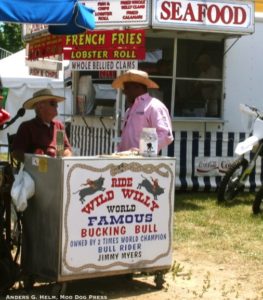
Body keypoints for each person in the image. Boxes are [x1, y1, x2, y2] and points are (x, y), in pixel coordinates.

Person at [112, 69, 174, 153]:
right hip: (125, 160)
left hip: (144, 162)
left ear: (138, 87)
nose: (124, 91)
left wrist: (144, 150)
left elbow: (166, 135)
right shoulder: (129, 110)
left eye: (126, 87)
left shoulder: (154, 106)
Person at [12, 88, 72, 162]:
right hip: (35, 171)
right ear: (40, 106)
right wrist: (34, 160)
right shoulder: (27, 127)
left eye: (56, 103)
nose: (57, 106)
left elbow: (64, 149)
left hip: (56, 169)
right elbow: (16, 153)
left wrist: (64, 158)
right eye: (53, 103)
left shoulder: (58, 126)